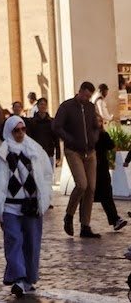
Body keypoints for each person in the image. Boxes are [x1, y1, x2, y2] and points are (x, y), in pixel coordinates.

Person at [0, 114, 53, 298]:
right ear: (8, 131)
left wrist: (45, 196)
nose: (20, 133)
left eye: (23, 129)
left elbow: (46, 174)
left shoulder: (36, 150)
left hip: (32, 205)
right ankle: (18, 278)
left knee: (31, 242)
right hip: (9, 207)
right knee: (13, 240)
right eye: (16, 130)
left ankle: (29, 278)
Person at [53, 81, 101, 238]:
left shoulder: (90, 107)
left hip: (90, 151)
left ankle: (85, 225)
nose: (86, 98)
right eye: (85, 95)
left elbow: (95, 125)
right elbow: (56, 126)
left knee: (91, 188)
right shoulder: (66, 107)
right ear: (79, 91)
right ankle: (69, 215)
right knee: (82, 184)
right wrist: (70, 140)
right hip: (73, 151)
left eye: (89, 96)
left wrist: (94, 138)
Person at [94, 122, 128, 233]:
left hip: (102, 170)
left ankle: (115, 220)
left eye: (100, 121)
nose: (98, 123)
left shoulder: (104, 135)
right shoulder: (87, 135)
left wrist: (103, 134)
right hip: (91, 169)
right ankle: (83, 224)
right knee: (86, 197)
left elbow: (111, 145)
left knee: (107, 195)